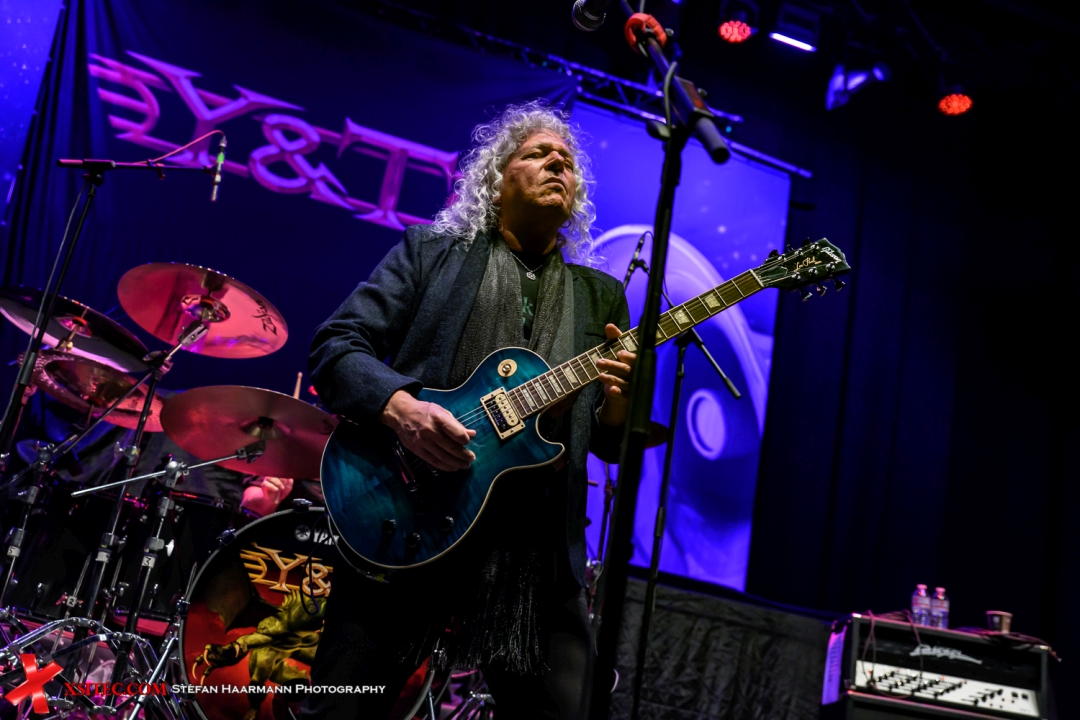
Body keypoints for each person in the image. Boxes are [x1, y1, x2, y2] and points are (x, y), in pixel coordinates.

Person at [302, 101, 635, 720]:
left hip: (532, 551)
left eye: (567, 161)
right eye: (539, 154)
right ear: (496, 179)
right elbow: (337, 345)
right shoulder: (432, 253)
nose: (558, 164)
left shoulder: (601, 297)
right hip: (408, 514)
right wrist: (401, 408)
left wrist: (617, 407)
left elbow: (608, 443)